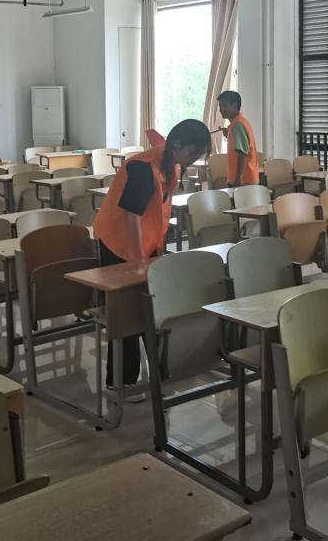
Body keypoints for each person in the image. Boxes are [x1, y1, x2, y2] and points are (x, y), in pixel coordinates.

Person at [92, 119, 211, 398]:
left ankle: (159, 369)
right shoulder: (142, 167)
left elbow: (158, 211)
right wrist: (137, 263)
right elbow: (132, 216)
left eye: (199, 154)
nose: (195, 159)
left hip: (146, 245)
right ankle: (121, 382)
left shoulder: (172, 164)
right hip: (118, 244)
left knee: (153, 306)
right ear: (177, 143)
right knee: (127, 312)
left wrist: (155, 253)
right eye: (193, 152)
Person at [216, 90, 259, 187]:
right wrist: (228, 134)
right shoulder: (241, 122)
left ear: (235, 106)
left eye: (224, 106)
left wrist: (238, 178)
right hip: (248, 178)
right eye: (220, 106)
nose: (221, 109)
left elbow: (242, 153)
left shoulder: (237, 125)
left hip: (244, 180)